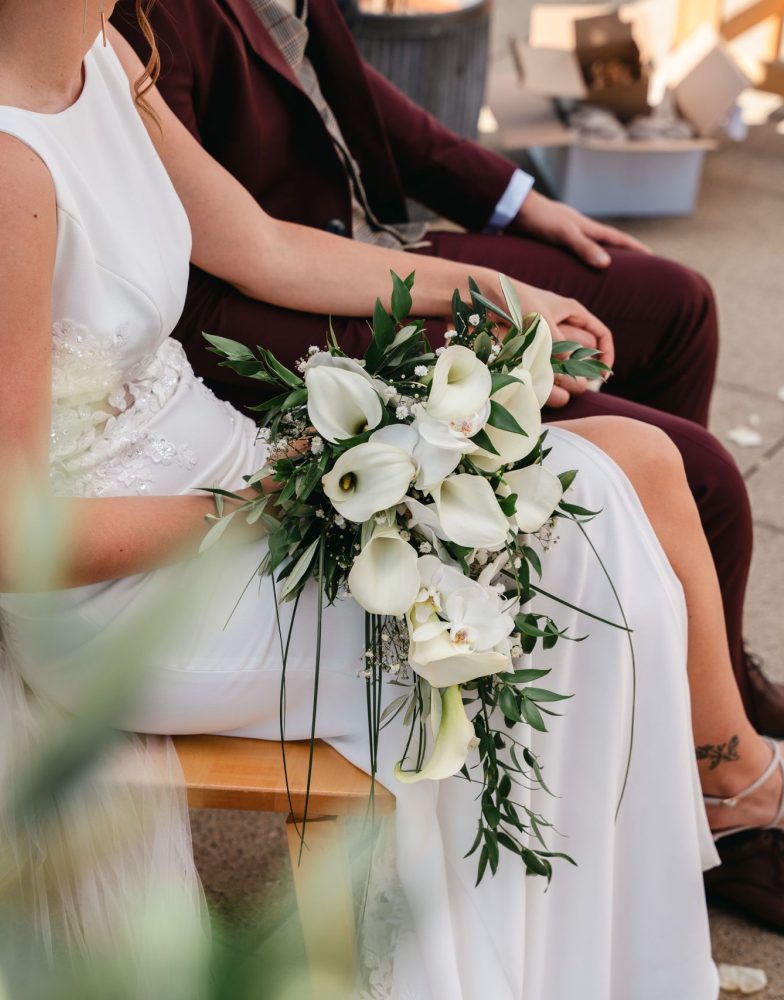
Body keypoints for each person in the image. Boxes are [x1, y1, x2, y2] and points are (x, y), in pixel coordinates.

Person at [0, 3, 782, 995]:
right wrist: (259, 504)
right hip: (129, 586)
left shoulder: (100, 51)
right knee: (555, 568)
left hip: (238, 463)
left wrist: (486, 286)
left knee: (590, 501)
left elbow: (260, 246)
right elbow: (7, 535)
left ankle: (591, 960)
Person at [114, 0, 784, 746]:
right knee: (704, 479)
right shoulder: (128, 28)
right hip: (289, 322)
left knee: (675, 304)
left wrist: (518, 201)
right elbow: (210, 295)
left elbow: (334, 82)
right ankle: (712, 756)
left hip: (365, 245)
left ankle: (700, 657)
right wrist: (468, 345)